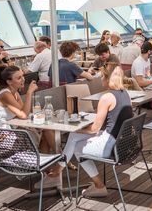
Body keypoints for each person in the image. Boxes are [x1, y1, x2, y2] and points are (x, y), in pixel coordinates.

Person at [43, 63, 134, 197]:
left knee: (77, 146)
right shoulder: (125, 93)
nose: (100, 78)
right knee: (74, 137)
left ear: (108, 78)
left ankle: (98, 185)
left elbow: (94, 129)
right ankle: (57, 172)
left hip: (111, 145)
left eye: (102, 76)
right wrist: (77, 131)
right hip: (123, 142)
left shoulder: (107, 97)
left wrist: (75, 128)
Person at [0, 65, 55, 152]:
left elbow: (25, 112)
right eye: (19, 78)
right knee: (44, 131)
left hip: (15, 129)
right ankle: (63, 160)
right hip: (4, 137)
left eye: (22, 76)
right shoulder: (5, 95)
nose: (23, 79)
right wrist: (29, 92)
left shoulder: (15, 93)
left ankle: (55, 161)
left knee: (47, 130)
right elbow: (24, 115)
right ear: (9, 82)